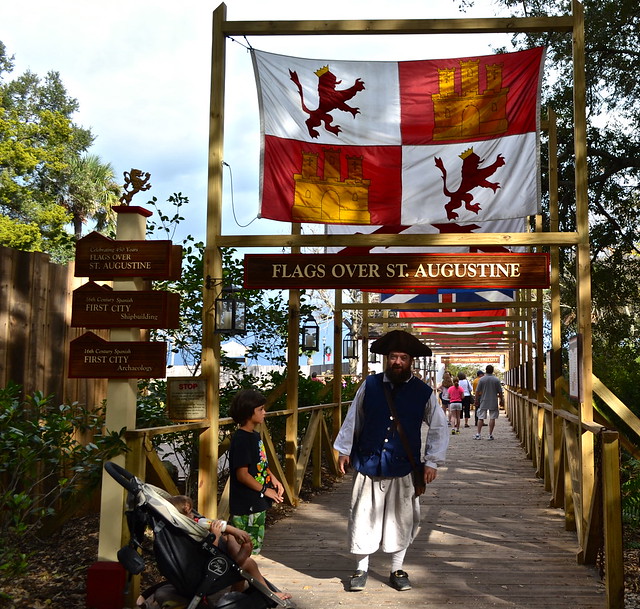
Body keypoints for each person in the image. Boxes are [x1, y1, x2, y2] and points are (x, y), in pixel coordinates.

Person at [333, 330, 449, 593]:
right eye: (394, 357)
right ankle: (361, 569)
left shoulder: (423, 392)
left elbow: (439, 427)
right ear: (387, 358)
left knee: (402, 519)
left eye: (403, 358)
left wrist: (432, 461)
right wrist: (344, 449)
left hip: (403, 467)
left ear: (411, 361)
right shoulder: (370, 385)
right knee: (362, 517)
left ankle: (397, 568)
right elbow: (354, 418)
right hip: (368, 463)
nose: (397, 362)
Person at [167, 495, 292, 602]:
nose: (194, 516)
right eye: (189, 513)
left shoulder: (181, 531)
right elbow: (210, 554)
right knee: (248, 564)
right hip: (210, 573)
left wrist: (233, 531)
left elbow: (209, 523)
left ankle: (238, 556)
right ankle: (269, 594)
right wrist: (215, 536)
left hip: (210, 568)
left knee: (229, 540)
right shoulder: (187, 535)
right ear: (182, 517)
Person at [228, 388, 285, 555]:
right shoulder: (242, 440)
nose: (264, 412)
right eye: (260, 409)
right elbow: (242, 474)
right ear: (248, 412)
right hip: (246, 504)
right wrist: (265, 490)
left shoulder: (254, 436)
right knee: (247, 548)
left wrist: (273, 478)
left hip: (257, 501)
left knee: (255, 545)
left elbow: (260, 463)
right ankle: (245, 578)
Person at [473, 365, 504, 440]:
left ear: (485, 370)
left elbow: (477, 391)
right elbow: (500, 391)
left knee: (480, 417)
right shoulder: (496, 380)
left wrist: (476, 400)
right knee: (492, 417)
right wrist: (501, 400)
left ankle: (478, 434)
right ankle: (490, 434)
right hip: (493, 400)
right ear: (492, 370)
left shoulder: (482, 379)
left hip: (483, 400)